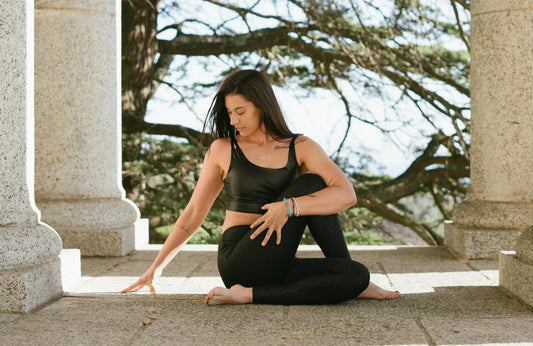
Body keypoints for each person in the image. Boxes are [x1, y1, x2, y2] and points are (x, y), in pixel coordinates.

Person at [121, 69, 399, 305]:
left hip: (276, 258)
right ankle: (245, 291)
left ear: (262, 106)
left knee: (354, 274)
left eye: (240, 111)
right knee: (312, 183)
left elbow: (346, 194)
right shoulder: (223, 149)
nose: (233, 120)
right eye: (230, 112)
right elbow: (194, 212)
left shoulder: (300, 146)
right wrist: (156, 268)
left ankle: (252, 294)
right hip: (240, 257)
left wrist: (289, 208)